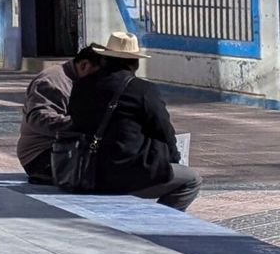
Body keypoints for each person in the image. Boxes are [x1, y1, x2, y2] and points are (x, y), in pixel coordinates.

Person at [63, 30, 201, 210]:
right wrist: (174, 158)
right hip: (129, 173)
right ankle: (159, 219)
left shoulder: (81, 86)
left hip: (86, 171)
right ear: (135, 63)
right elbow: (163, 129)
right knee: (191, 180)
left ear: (104, 60)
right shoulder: (142, 89)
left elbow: (74, 119)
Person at [16, 54, 78, 183]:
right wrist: (80, 124)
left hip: (61, 147)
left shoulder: (78, 78)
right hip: (41, 155)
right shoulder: (51, 81)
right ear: (85, 65)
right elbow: (39, 118)